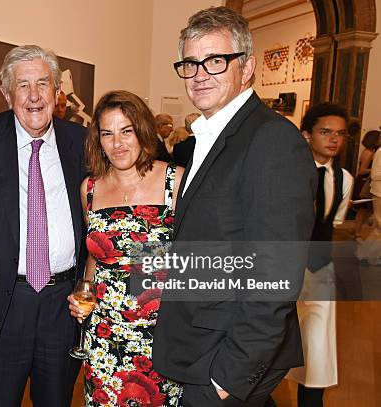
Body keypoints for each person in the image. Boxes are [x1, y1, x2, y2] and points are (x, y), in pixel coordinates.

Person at [153, 7, 316, 407]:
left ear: (247, 67)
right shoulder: (207, 137)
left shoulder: (272, 141)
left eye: (215, 61)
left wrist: (229, 378)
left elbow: (276, 274)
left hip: (228, 358)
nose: (200, 74)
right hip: (203, 344)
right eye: (190, 63)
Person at [0, 45, 87, 407]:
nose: (33, 96)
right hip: (2, 306)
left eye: (43, 83)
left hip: (64, 305)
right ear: (6, 93)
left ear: (57, 91)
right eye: (22, 85)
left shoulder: (82, 142)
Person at [68, 90, 185, 406]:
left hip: (160, 336)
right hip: (105, 333)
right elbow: (96, 252)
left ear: (143, 132)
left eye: (126, 131)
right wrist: (85, 293)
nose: (117, 143)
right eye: (108, 133)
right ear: (99, 140)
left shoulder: (174, 181)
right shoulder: (90, 188)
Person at [286, 103, 353, 407]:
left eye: (340, 134)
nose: (334, 139)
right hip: (282, 269)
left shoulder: (344, 179)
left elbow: (334, 222)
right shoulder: (286, 174)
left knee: (318, 350)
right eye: (325, 132)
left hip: (319, 270)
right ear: (307, 135)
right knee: (271, 343)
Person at [353, 130, 380, 239]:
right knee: (362, 210)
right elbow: (362, 170)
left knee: (367, 210)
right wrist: (372, 169)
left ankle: (356, 231)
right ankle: (357, 233)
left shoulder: (373, 151)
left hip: (368, 182)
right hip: (364, 181)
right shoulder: (369, 152)